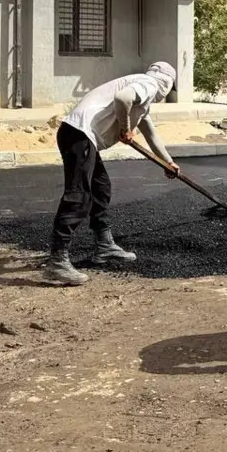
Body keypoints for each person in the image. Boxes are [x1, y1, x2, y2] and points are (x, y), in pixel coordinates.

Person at [45, 62, 181, 286]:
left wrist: (168, 162)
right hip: (79, 134)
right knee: (79, 195)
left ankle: (104, 246)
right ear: (166, 83)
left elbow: (151, 135)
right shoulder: (149, 84)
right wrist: (126, 127)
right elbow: (122, 99)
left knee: (101, 188)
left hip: (78, 135)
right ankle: (57, 261)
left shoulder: (142, 96)